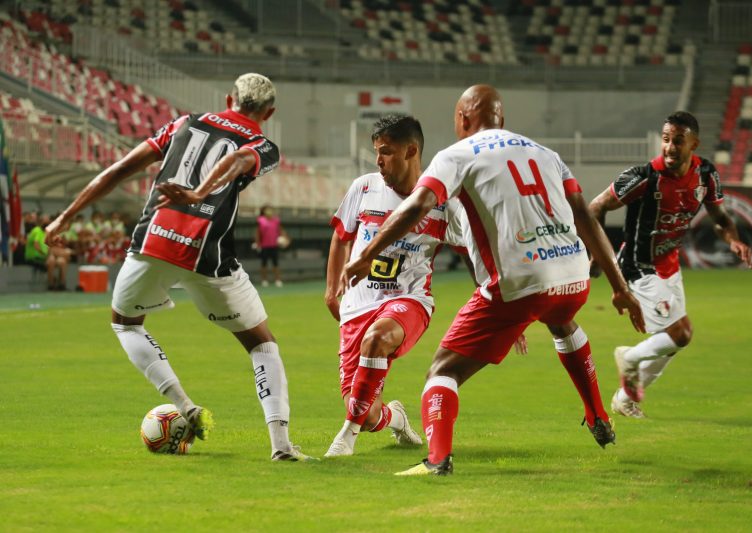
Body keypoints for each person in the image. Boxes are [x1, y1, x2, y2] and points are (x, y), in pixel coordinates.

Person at [345, 85, 646, 476]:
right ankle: (597, 414)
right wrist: (621, 287)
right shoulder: (547, 154)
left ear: (464, 119)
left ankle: (437, 460)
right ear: (501, 119)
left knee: (442, 371)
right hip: (573, 275)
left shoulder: (456, 155)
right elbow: (586, 216)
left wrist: (367, 253)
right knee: (561, 320)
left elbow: (419, 204)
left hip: (517, 282)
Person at [45, 73, 313, 461]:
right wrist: (201, 194)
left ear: (228, 97)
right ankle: (281, 446)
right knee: (261, 343)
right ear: (269, 112)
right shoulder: (262, 144)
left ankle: (185, 405)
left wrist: (65, 217)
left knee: (124, 323)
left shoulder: (183, 123)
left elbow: (119, 169)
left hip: (154, 241)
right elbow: (239, 159)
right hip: (208, 255)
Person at [588, 111, 752, 418]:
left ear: (694, 144)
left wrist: (733, 239)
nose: (670, 147)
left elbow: (720, 218)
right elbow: (595, 208)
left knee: (674, 341)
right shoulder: (644, 178)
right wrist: (599, 257)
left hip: (669, 262)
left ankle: (625, 398)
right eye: (666, 140)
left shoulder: (705, 175)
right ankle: (630, 358)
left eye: (678, 141)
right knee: (680, 333)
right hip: (640, 265)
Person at [323, 114, 467, 457]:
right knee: (369, 411)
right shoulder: (364, 187)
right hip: (358, 304)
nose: (378, 160)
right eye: (376, 151)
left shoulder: (443, 203)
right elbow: (341, 238)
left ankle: (347, 435)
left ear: (411, 150)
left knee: (378, 338)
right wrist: (332, 289)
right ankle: (395, 418)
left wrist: (495, 300)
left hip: (408, 300)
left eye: (386, 151)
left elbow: (471, 255)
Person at [255, 205, 285, 287]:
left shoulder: (276, 220)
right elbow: (257, 233)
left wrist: (285, 238)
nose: (269, 211)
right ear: (264, 211)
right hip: (264, 246)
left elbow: (280, 230)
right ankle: (264, 280)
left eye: (270, 209)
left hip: (274, 245)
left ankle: (278, 280)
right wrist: (257, 243)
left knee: (276, 264)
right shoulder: (260, 220)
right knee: (264, 264)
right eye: (267, 210)